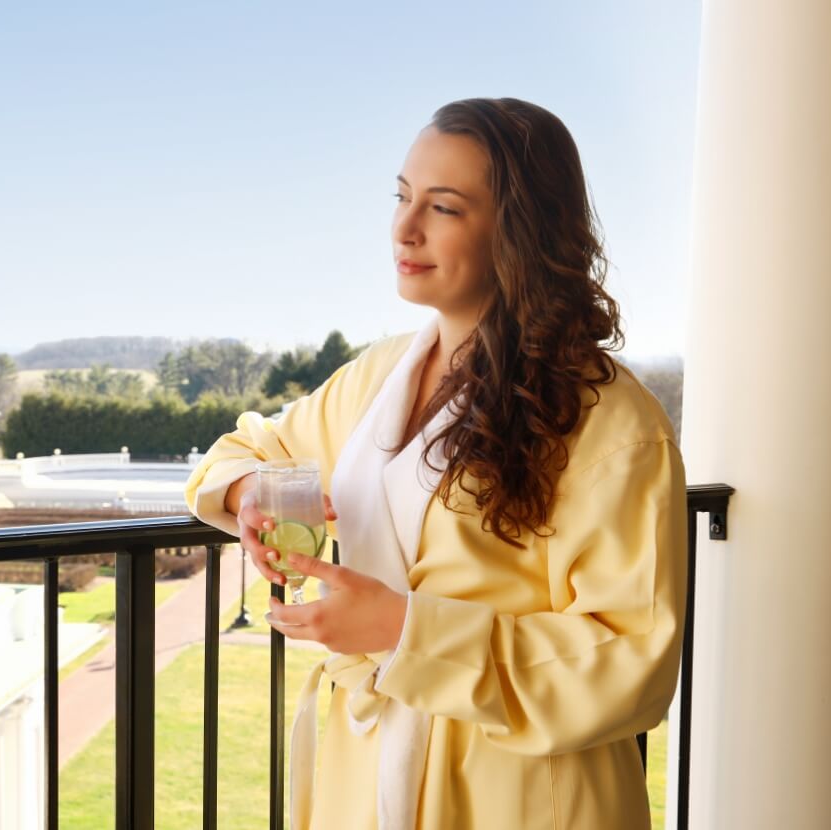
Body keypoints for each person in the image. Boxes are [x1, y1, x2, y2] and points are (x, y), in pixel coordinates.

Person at [184, 98, 687, 829]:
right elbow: (252, 447)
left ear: (518, 232)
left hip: (522, 797)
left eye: (444, 207)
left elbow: (631, 661)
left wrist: (405, 631)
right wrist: (249, 496)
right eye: (401, 195)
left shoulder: (612, 425)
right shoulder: (381, 374)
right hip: (368, 774)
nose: (404, 227)